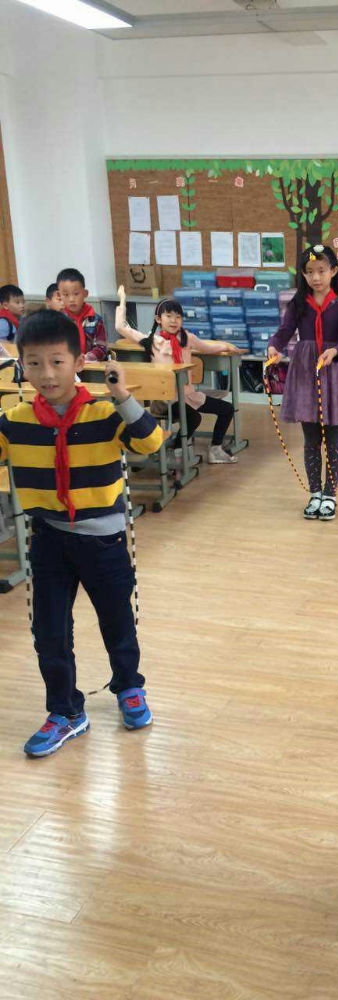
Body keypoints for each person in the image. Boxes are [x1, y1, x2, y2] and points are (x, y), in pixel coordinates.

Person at [0, 310, 164, 757]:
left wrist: (122, 395)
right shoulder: (15, 420)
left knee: (117, 619)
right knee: (49, 630)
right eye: (34, 363)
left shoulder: (105, 413)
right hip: (49, 539)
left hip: (103, 541)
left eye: (57, 362)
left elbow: (151, 442)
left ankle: (129, 686)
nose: (47, 374)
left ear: (78, 361)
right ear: (21, 364)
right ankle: (66, 711)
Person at [267, 244, 338, 520]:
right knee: (310, 439)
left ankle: (330, 495)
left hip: (334, 372)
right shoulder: (298, 303)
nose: (315, 277)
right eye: (309, 272)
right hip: (306, 371)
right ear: (303, 275)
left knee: (333, 438)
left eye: (321, 270)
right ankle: (315, 493)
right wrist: (274, 346)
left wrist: (336, 351)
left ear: (333, 271)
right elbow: (285, 331)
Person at [115, 287, 243, 464]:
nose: (174, 321)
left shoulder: (186, 338)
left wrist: (226, 346)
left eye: (178, 317)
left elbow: (207, 347)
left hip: (189, 396)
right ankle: (175, 449)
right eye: (168, 316)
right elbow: (120, 327)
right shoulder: (152, 341)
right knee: (194, 418)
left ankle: (215, 449)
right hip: (166, 400)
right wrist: (122, 299)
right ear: (158, 319)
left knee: (227, 409)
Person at [57, 267, 108, 362]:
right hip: (66, 366)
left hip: (91, 367)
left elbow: (102, 348)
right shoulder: (57, 320)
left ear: (85, 293)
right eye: (66, 295)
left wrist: (87, 357)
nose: (71, 299)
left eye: (76, 294)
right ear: (59, 296)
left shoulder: (96, 320)